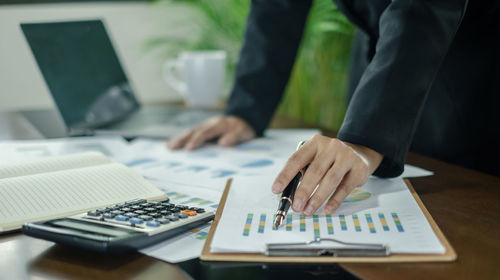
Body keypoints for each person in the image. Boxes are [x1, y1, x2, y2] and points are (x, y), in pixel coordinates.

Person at [168, 0, 500, 216]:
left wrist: (367, 136)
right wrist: (246, 108)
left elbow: (424, 8)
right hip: (378, 54)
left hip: (466, 63)